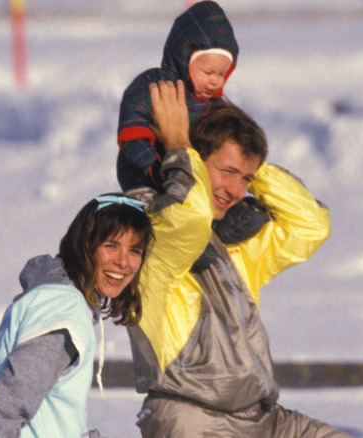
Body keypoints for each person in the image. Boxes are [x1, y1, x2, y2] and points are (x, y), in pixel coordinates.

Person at [125, 80, 350, 437]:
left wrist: (253, 168)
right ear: (195, 163)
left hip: (261, 419)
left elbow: (311, 226)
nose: (235, 190)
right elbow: (188, 214)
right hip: (192, 419)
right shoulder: (152, 233)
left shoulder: (233, 248)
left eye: (244, 179)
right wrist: (179, 146)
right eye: (226, 172)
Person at [0, 194, 154, 438]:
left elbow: (49, 412)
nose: (123, 262)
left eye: (135, 250)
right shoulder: (64, 312)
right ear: (85, 245)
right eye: (111, 246)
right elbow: (4, 409)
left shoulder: (59, 299)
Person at [116, 1, 269, 244]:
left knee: (196, 204)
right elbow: (133, 123)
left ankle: (216, 236)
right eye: (208, 73)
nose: (215, 82)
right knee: (163, 211)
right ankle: (183, 238)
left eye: (222, 74)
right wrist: (151, 163)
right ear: (184, 58)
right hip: (146, 174)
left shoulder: (215, 107)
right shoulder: (155, 84)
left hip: (187, 181)